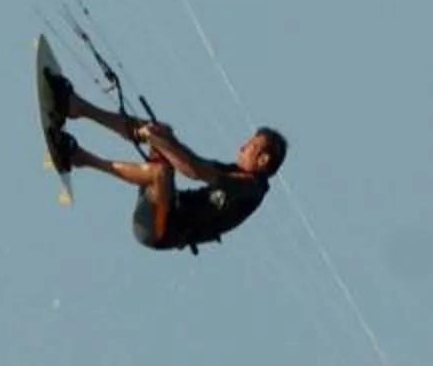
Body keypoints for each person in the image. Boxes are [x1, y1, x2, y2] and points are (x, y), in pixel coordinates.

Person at [57, 76, 287, 253]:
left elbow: (194, 171)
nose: (242, 148)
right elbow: (194, 161)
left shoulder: (251, 188)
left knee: (161, 172)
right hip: (163, 202)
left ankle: (80, 157)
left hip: (160, 229)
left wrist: (159, 141)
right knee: (161, 131)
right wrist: (163, 138)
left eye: (250, 146)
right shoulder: (234, 172)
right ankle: (78, 107)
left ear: (263, 160)